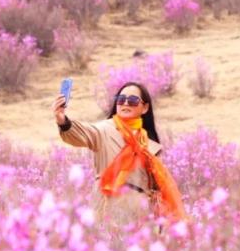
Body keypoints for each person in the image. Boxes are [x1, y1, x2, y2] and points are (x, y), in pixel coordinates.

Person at [52, 82, 187, 229]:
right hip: (108, 209)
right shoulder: (104, 130)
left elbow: (157, 189)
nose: (126, 103)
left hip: (140, 216)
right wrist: (63, 121)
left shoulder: (149, 145)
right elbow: (83, 133)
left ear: (145, 108)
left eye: (133, 100)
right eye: (121, 99)